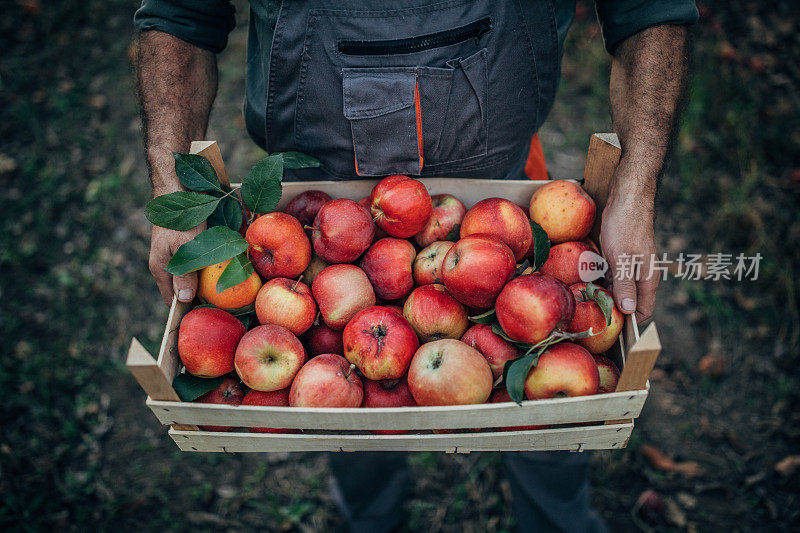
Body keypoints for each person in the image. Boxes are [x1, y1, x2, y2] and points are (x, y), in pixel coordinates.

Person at [134, 1, 698, 531]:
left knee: (549, 420)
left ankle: (555, 522)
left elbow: (648, 7)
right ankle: (371, 518)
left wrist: (636, 184)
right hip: (312, 191)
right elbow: (180, 11)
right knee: (347, 416)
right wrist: (171, 182)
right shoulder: (299, 262)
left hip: (498, 191)